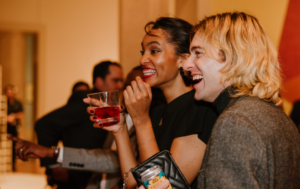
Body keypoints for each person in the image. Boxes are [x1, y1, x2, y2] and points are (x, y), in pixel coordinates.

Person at [86, 17, 218, 189]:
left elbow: (162, 185)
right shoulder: (156, 112)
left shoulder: (200, 109)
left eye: (154, 51)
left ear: (183, 59)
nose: (142, 60)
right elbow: (133, 181)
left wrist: (141, 120)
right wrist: (120, 130)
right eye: (143, 52)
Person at [180, 12, 300, 188]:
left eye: (198, 53)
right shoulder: (280, 118)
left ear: (233, 58)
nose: (186, 65)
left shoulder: (236, 121)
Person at [34, 61, 124, 189]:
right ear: (99, 81)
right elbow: (44, 125)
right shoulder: (84, 102)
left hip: (89, 176)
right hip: (73, 178)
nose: (120, 85)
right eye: (115, 80)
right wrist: (52, 166)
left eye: (122, 81)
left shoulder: (106, 105)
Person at [4, 84, 23, 171]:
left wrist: (13, 116)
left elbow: (21, 113)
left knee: (14, 145)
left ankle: (13, 164)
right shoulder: (4, 103)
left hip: (14, 126)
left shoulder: (18, 103)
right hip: (5, 126)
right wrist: (6, 118)